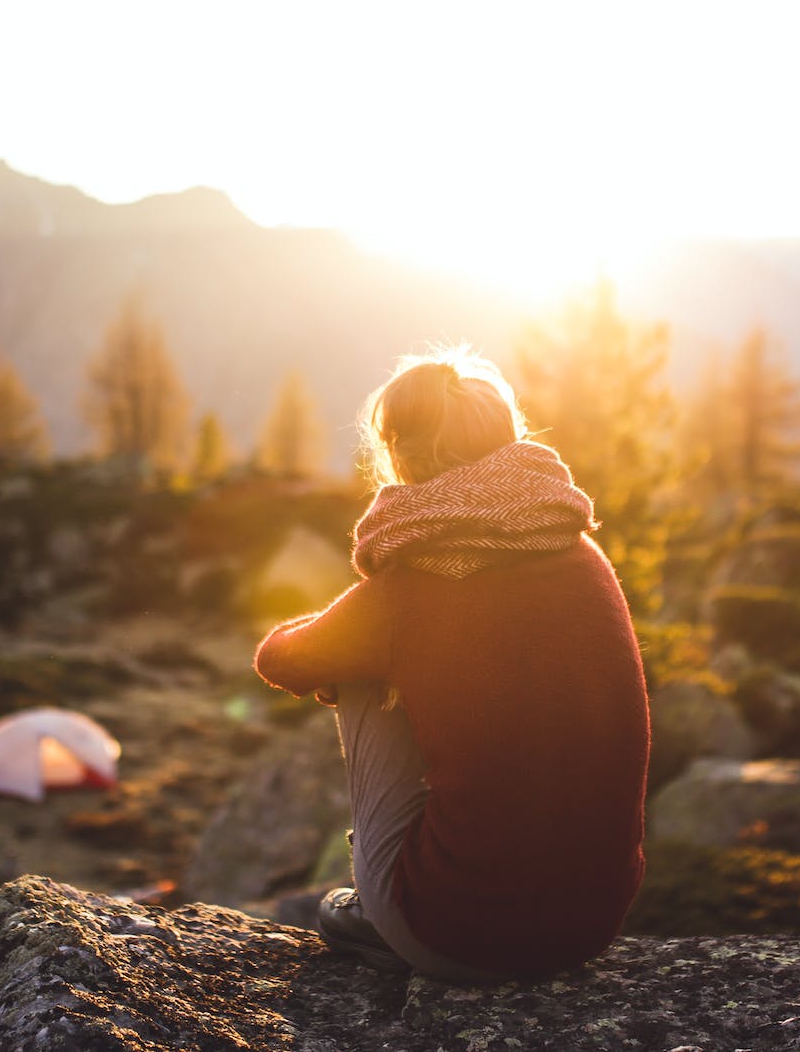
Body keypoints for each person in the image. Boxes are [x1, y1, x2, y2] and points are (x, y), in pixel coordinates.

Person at [252, 347, 651, 980]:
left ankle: (382, 901)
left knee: (356, 667)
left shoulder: (409, 586)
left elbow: (282, 660)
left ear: (402, 456)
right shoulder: (583, 556)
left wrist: (361, 639)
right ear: (507, 439)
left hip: (454, 937)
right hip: (590, 927)